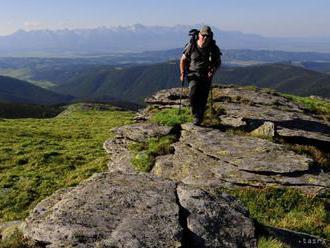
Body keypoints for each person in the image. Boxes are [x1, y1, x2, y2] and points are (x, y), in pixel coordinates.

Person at [180, 25, 221, 125]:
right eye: (203, 35)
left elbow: (217, 62)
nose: (205, 38)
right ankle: (195, 114)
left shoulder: (213, 48)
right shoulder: (192, 45)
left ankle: (199, 118)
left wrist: (213, 71)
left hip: (206, 76)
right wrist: (182, 73)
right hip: (193, 74)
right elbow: (183, 60)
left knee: (203, 97)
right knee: (193, 94)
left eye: (207, 36)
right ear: (199, 35)